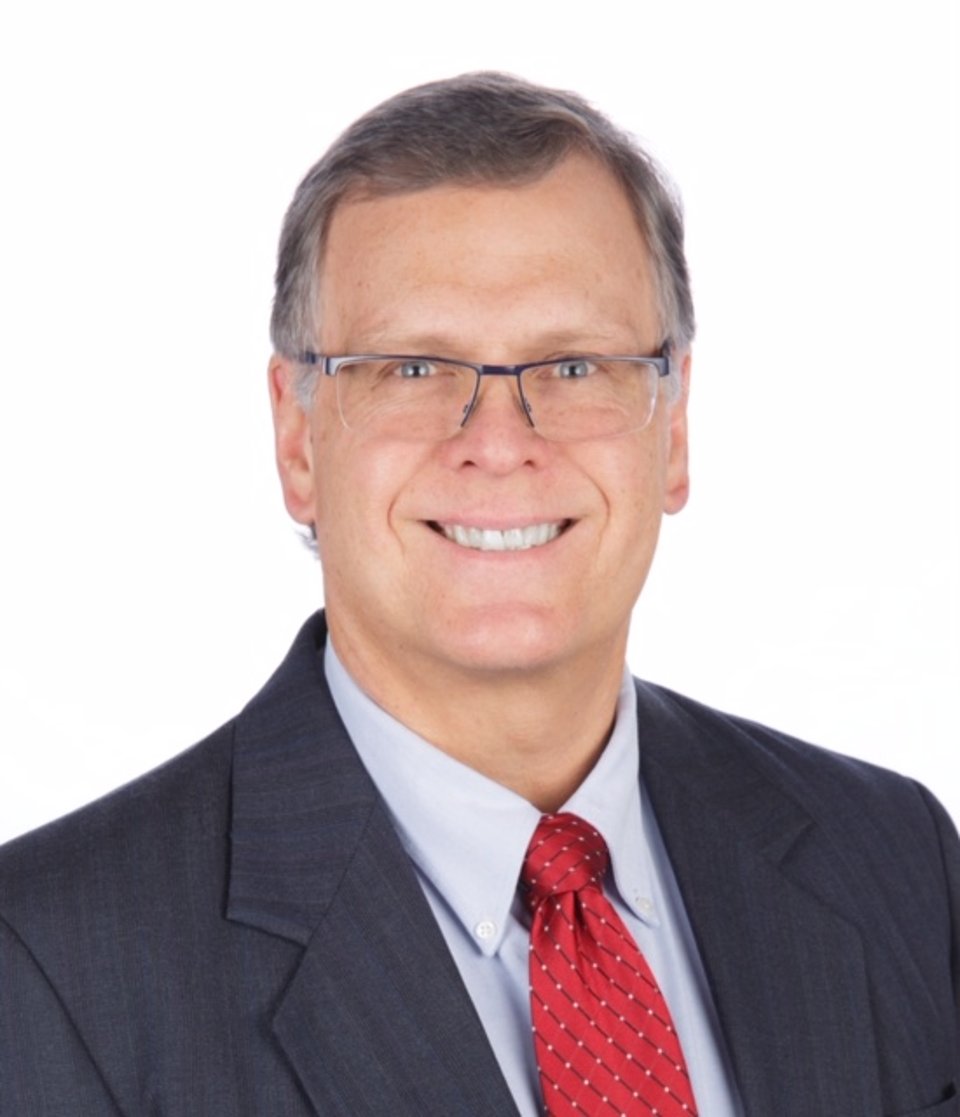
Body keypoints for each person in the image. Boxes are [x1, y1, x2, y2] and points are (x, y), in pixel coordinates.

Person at [0, 72, 957, 1117]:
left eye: (576, 366)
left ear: (673, 428)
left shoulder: (895, 860)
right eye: (412, 370)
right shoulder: (50, 966)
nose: (498, 444)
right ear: (297, 439)